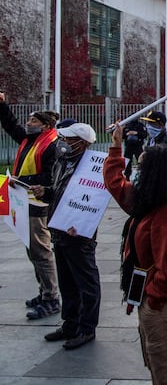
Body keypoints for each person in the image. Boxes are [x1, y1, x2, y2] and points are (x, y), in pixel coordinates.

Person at [103, 122, 167, 385]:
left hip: (162, 304)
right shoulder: (149, 201)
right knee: (157, 363)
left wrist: (153, 301)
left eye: (144, 168)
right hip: (150, 299)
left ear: (157, 175)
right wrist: (115, 147)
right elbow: (117, 185)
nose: (138, 173)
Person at [31, 122, 100, 350]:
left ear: (82, 143)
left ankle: (86, 328)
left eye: (70, 139)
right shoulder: (63, 162)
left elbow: (93, 202)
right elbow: (60, 191)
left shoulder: (92, 167)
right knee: (67, 281)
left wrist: (81, 224)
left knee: (86, 283)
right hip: (59, 230)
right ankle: (70, 323)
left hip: (79, 234)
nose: (64, 142)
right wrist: (46, 191)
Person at [0, 92, 61, 319]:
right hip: (23, 202)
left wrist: (21, 181)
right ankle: (44, 290)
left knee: (41, 251)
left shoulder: (51, 146)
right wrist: (3, 106)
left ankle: (51, 298)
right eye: (28, 120)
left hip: (37, 204)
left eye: (33, 121)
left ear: (45, 126)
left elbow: (50, 177)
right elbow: (10, 125)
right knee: (32, 250)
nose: (28, 123)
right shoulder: (30, 140)